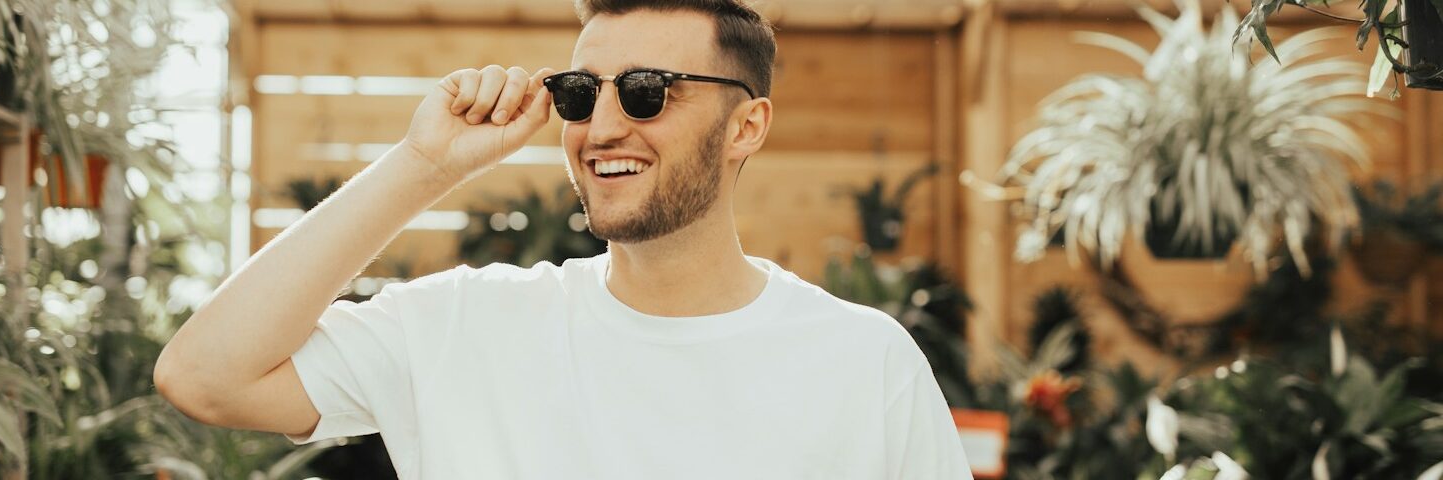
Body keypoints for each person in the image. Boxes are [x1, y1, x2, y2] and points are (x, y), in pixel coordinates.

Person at [155, 0, 972, 478]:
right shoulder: (461, 327)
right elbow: (204, 377)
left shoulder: (864, 362)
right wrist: (421, 166)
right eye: (582, 94)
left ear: (746, 125)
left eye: (649, 92)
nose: (604, 126)